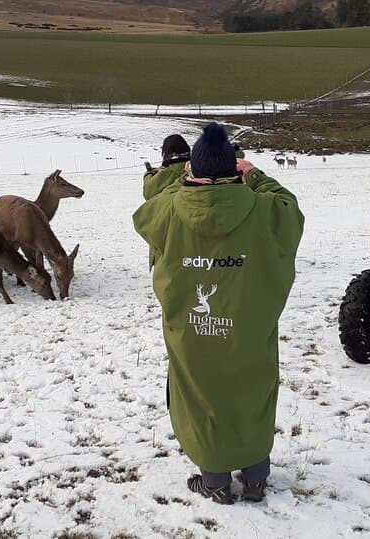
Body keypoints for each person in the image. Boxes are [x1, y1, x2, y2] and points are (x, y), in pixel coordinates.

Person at [132, 123, 305, 504]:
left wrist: (186, 180)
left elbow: (148, 208)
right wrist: (255, 175)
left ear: (193, 172)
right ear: (234, 170)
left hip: (192, 334)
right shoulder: (264, 210)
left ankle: (215, 482)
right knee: (252, 394)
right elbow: (289, 209)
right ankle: (256, 478)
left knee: (200, 399)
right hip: (249, 332)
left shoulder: (168, 209)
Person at [142, 134, 192, 200]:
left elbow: (148, 193)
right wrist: (161, 169)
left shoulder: (168, 172)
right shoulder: (195, 167)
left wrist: (148, 174)